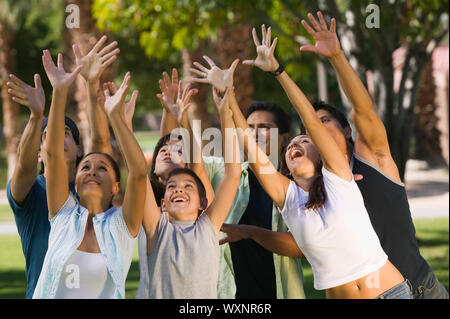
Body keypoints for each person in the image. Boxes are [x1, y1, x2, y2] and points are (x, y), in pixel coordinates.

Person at [223, 12, 448, 299]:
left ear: (346, 130)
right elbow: (306, 245)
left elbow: (362, 110)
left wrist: (332, 58)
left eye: (320, 125)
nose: (310, 134)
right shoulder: (297, 195)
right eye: (301, 134)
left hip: (412, 288)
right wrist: (227, 97)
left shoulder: (363, 163)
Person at [5, 36, 120, 299]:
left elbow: (102, 142)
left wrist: (91, 84)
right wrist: (36, 117)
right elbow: (23, 167)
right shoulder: (32, 192)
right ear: (39, 153)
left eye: (66, 132)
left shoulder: (95, 188)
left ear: (80, 148)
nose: (58, 138)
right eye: (48, 137)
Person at [32, 49, 147, 298]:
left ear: (116, 187)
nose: (92, 171)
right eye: (85, 167)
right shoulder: (63, 214)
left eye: (102, 168)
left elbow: (138, 173)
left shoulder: (123, 224)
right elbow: (52, 156)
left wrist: (116, 117)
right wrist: (60, 91)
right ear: (77, 179)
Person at [189, 57, 305, 299]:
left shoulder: (297, 186)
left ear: (284, 137)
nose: (254, 133)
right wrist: (180, 115)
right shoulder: (226, 173)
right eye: (248, 126)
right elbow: (192, 165)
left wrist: (249, 232)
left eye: (264, 127)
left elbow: (302, 248)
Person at [142, 88, 241, 298]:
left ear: (202, 202)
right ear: (163, 203)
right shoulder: (155, 221)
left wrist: (224, 113)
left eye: (188, 186)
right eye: (172, 187)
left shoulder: (206, 223)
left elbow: (231, 173)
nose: (179, 188)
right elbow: (137, 173)